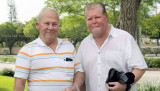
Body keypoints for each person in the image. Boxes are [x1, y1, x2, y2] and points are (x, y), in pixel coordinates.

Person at [77, 2, 148, 91]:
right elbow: (80, 74)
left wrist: (125, 86)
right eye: (89, 19)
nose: (94, 22)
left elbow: (140, 68)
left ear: (106, 17)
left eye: (97, 17)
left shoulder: (125, 38)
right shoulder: (84, 44)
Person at [14, 8, 84, 91]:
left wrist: (75, 87)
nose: (50, 27)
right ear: (38, 25)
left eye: (54, 24)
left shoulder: (69, 46)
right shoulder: (26, 51)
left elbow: (79, 72)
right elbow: (19, 85)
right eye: (46, 23)